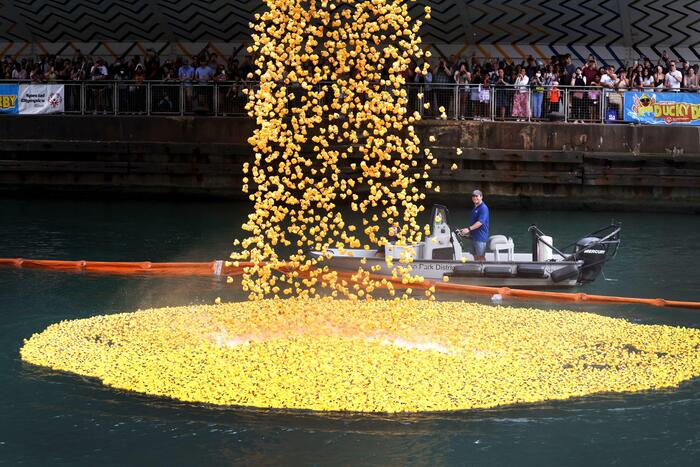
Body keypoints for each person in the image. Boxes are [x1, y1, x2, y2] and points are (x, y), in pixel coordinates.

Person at [460, 190, 490, 261]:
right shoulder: (475, 208)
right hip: (473, 237)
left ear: (481, 197)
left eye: (477, 196)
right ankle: (477, 271)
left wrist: (468, 229)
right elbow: (473, 224)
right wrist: (466, 233)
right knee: (475, 256)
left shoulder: (483, 208)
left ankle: (483, 271)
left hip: (480, 237)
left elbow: (480, 222)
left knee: (481, 257)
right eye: (473, 196)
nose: (475, 198)